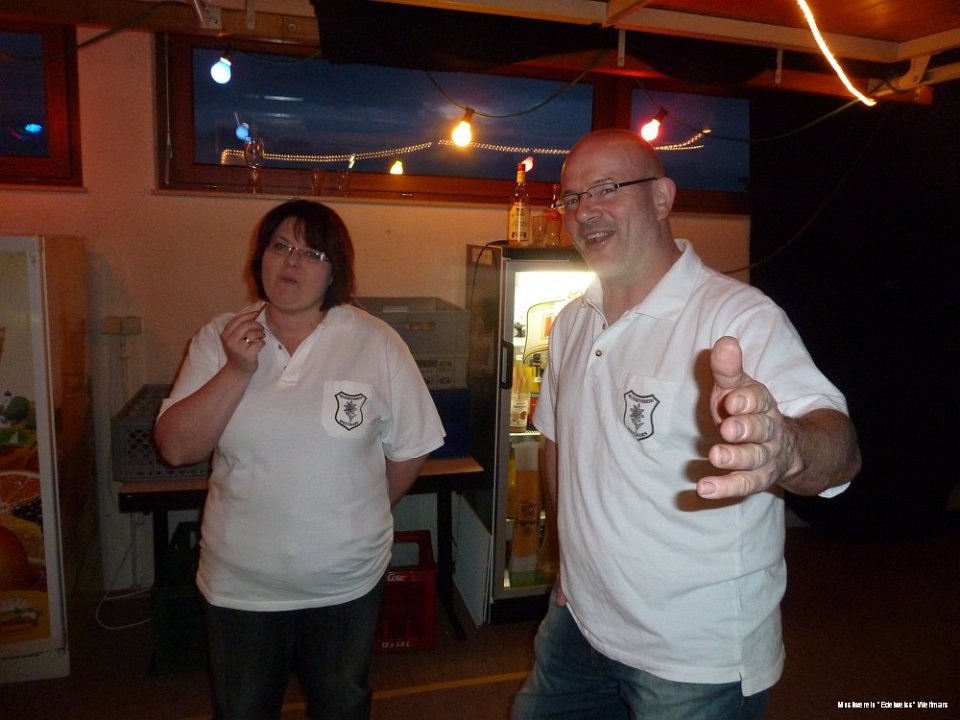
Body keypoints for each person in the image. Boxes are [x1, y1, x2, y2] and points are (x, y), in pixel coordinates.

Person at [511, 129, 861, 720]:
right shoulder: (573, 321)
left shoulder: (737, 316)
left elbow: (841, 448)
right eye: (571, 196)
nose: (584, 210)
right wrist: (565, 559)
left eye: (606, 188)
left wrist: (788, 449)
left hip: (693, 656)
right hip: (578, 621)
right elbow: (557, 442)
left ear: (662, 198)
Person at [154, 199, 444, 720]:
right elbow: (177, 449)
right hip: (241, 583)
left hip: (346, 580)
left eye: (312, 253)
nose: (292, 262)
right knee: (242, 710)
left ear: (335, 271)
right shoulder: (219, 338)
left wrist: (360, 510)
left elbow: (411, 448)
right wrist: (237, 370)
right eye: (280, 246)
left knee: (341, 704)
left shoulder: (375, 341)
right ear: (260, 257)